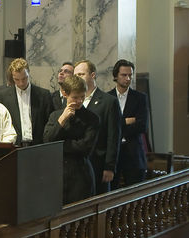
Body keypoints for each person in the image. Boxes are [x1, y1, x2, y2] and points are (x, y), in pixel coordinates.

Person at [43, 75, 100, 204]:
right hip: (57, 174)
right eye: (75, 97)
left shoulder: (92, 118)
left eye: (82, 96)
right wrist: (62, 120)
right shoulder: (55, 116)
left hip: (80, 175)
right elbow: (47, 141)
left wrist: (59, 145)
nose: (79, 101)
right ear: (65, 94)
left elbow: (85, 147)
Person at [74, 60, 122, 194]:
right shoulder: (73, 101)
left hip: (98, 163)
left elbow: (113, 137)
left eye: (81, 74)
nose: (77, 78)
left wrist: (109, 167)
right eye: (75, 75)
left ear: (93, 75)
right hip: (77, 165)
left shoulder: (109, 102)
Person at [0, 58, 53, 146]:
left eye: (24, 78)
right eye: (16, 79)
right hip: (14, 145)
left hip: (37, 145)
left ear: (29, 73)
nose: (21, 83)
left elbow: (49, 123)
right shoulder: (2, 96)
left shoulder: (44, 95)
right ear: (12, 77)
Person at [108, 59, 149, 187]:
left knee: (135, 192)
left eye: (130, 75)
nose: (128, 79)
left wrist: (117, 126)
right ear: (116, 76)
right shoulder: (107, 98)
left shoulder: (140, 97)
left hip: (133, 153)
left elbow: (142, 126)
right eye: (124, 75)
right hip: (114, 154)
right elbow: (106, 126)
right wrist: (126, 121)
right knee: (112, 192)